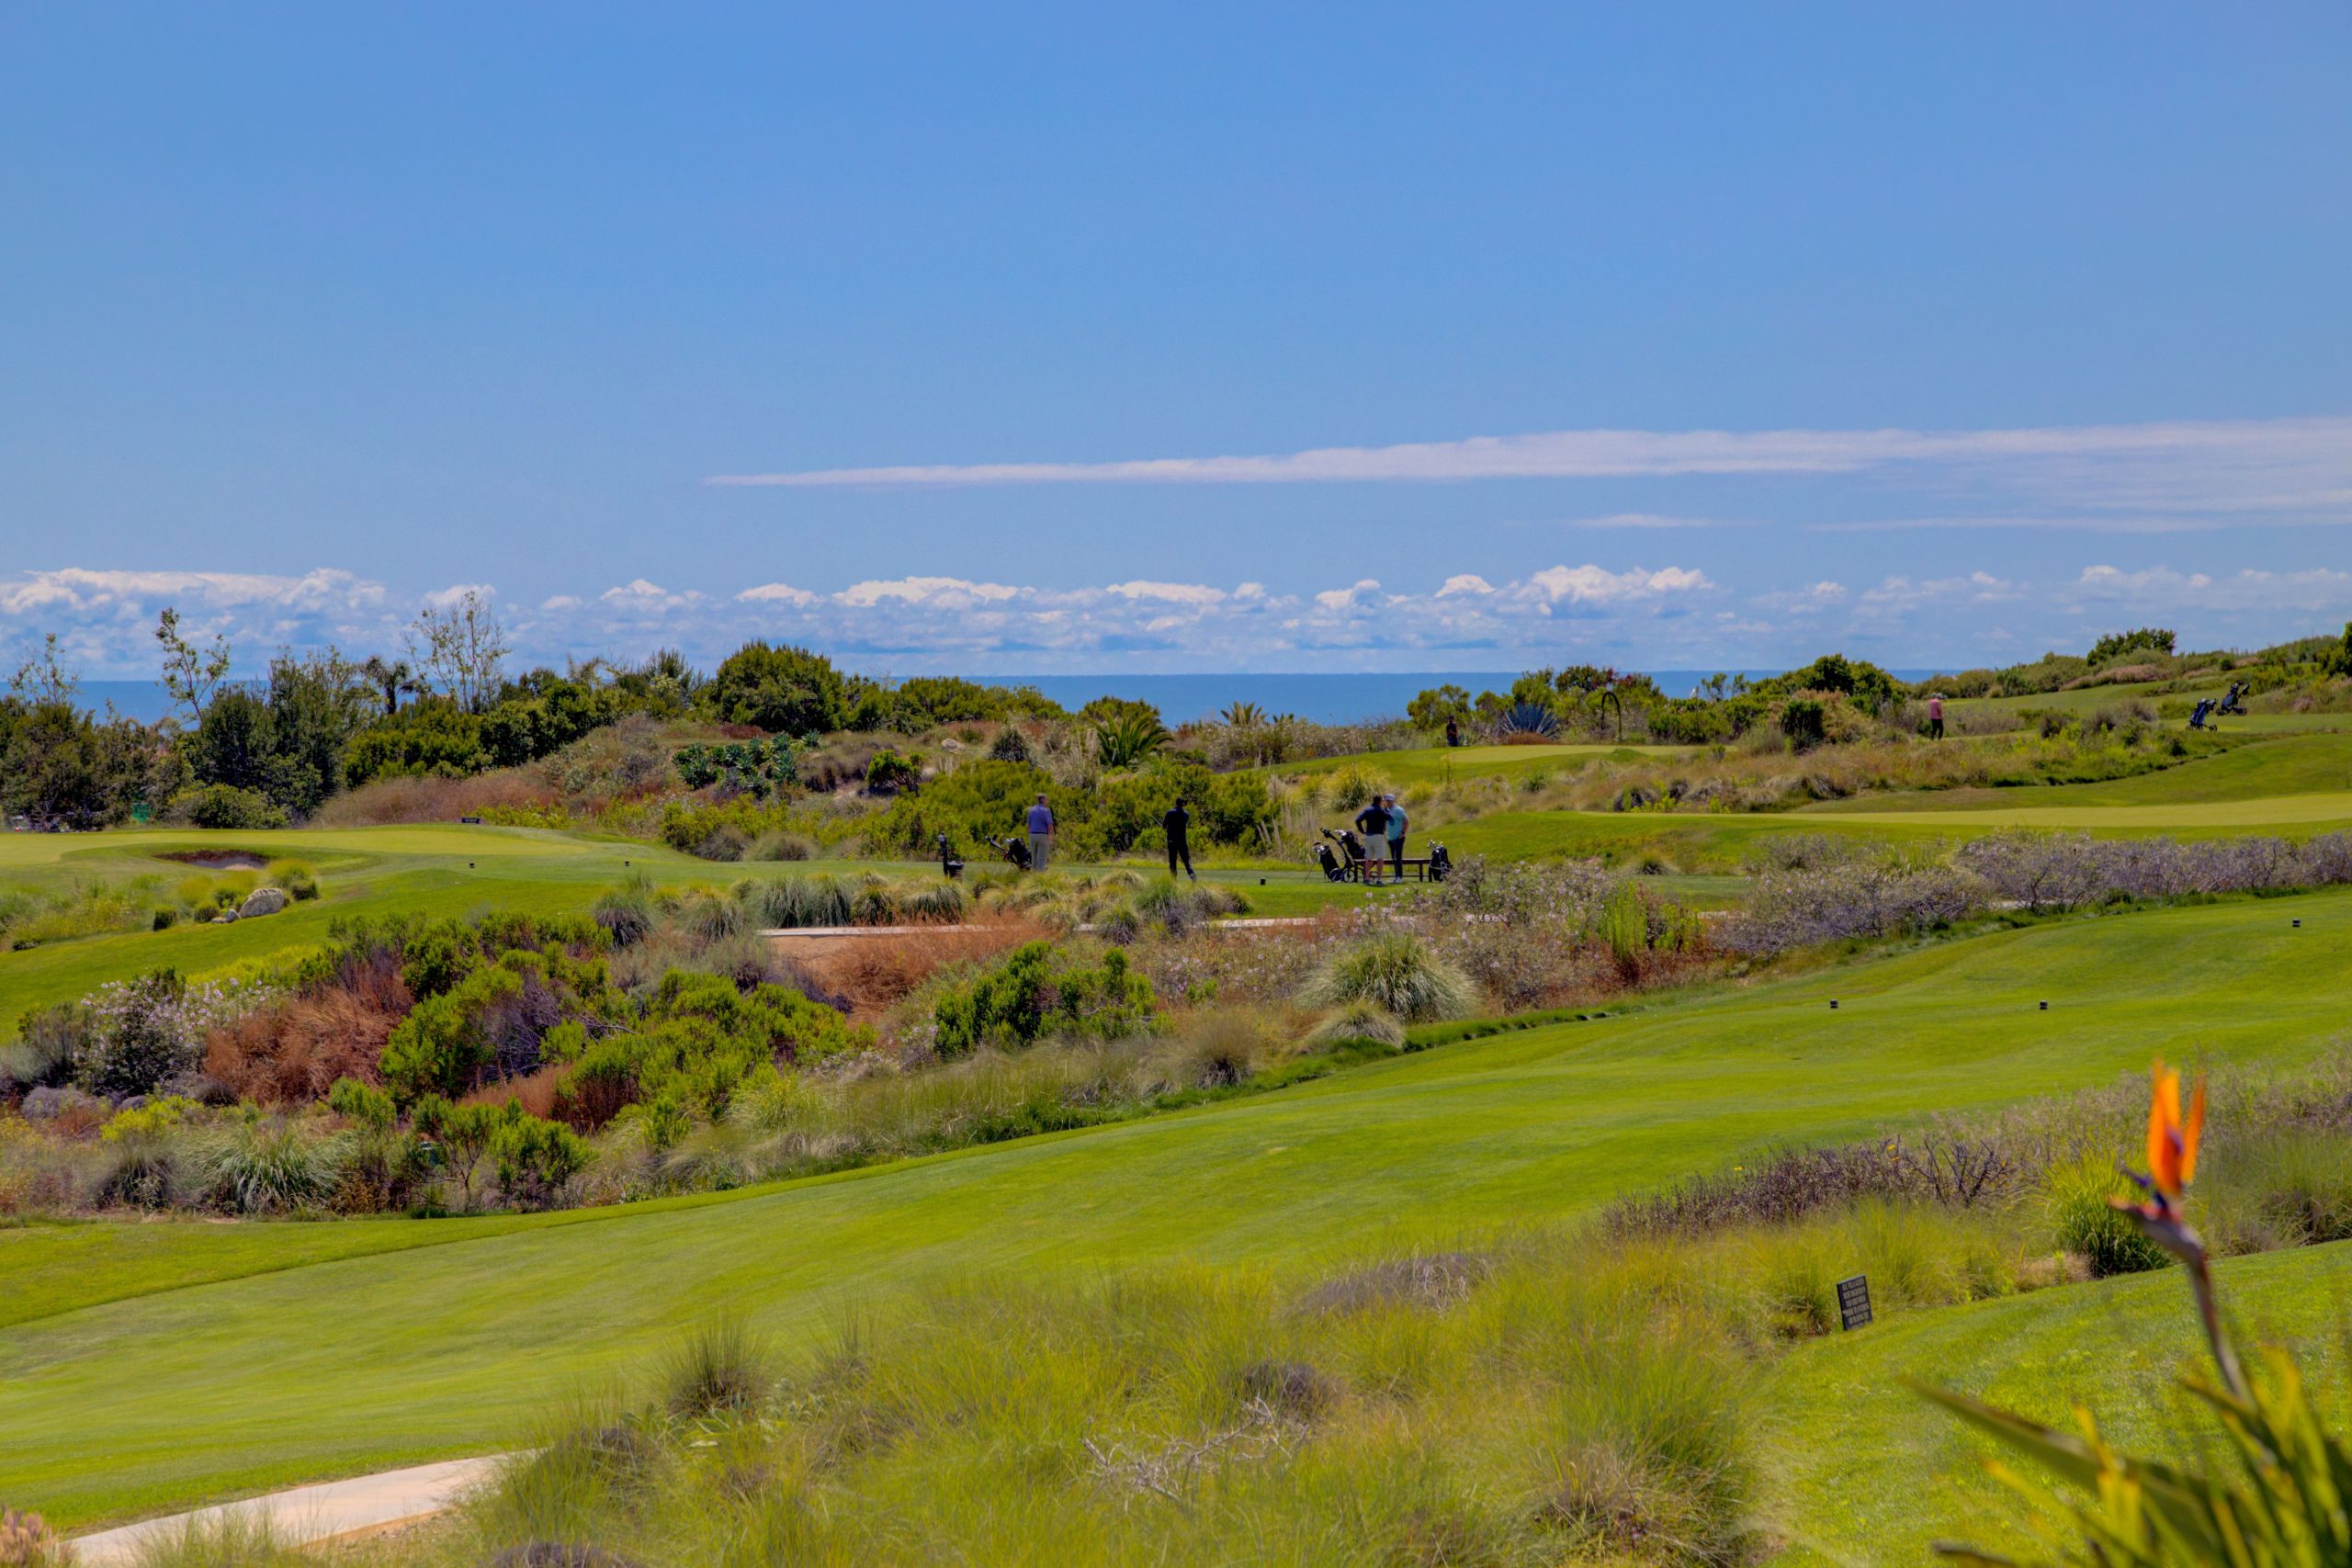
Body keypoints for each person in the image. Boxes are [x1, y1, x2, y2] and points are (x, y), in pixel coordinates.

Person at [1352, 795, 1390, 879]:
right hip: (1378, 836)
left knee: (1369, 859)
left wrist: (1362, 831)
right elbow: (1389, 817)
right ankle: (1379, 879)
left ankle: (1366, 878)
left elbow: (1357, 820)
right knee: (1380, 859)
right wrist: (1386, 808)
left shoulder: (1367, 810)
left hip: (1368, 836)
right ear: (1380, 802)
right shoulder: (1381, 810)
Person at [1161, 797, 1195, 880]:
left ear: (1176, 803)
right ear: (1182, 804)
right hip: (1182, 841)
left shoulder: (1169, 813)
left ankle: (1173, 879)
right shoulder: (1186, 814)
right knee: (1186, 860)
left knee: (1173, 861)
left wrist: (1166, 827)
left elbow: (1164, 826)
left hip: (1172, 840)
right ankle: (1192, 875)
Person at [1025, 793, 1055, 873]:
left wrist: (1029, 835)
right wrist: (1050, 838)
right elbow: (1050, 825)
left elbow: (1029, 824)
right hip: (1042, 835)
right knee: (1042, 857)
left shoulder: (1031, 810)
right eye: (1046, 799)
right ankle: (1040, 875)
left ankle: (1033, 874)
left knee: (1033, 856)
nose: (1047, 801)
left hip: (1032, 835)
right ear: (1043, 800)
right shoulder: (1046, 811)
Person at [1381, 792, 1408, 878]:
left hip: (1398, 837)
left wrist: (1403, 832)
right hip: (1391, 838)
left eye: (1388, 801)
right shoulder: (1388, 810)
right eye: (1385, 801)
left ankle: (1399, 877)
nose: (1386, 802)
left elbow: (1406, 821)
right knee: (1394, 858)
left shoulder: (1398, 810)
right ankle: (1396, 876)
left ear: (1392, 801)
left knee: (1398, 858)